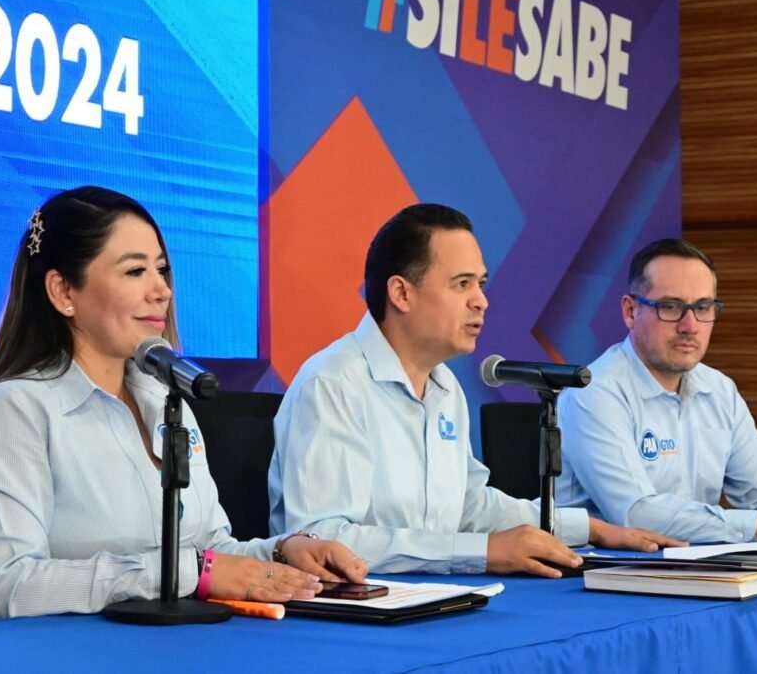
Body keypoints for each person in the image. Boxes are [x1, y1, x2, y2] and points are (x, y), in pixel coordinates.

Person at [0, 186, 366, 618]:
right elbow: (8, 587)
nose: (162, 291)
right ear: (63, 292)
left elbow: (211, 551)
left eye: (162, 270)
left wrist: (284, 553)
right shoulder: (14, 409)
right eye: (135, 272)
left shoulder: (166, 399)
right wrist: (184, 574)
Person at [267, 204, 682, 579]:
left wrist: (589, 528)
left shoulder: (446, 386)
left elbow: (470, 507)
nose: (481, 301)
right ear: (401, 293)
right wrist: (481, 552)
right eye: (462, 284)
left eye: (480, 283)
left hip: (429, 599)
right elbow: (324, 538)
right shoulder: (333, 382)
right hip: (352, 618)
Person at [556, 238, 757, 544]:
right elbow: (637, 515)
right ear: (630, 311)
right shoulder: (595, 391)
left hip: (692, 571)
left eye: (703, 307)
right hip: (599, 575)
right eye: (670, 307)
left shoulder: (719, 389)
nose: (690, 326)